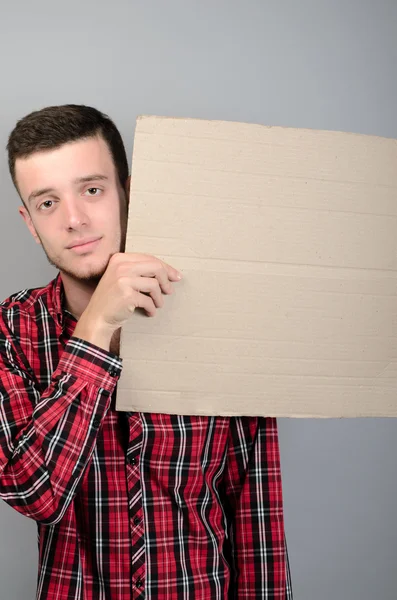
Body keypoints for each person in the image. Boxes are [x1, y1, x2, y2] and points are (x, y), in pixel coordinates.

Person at [0, 104, 293, 600]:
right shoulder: (12, 331)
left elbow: (255, 513)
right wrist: (95, 329)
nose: (74, 220)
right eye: (48, 203)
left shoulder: (223, 324)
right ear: (31, 223)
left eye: (92, 190)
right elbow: (33, 491)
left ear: (128, 193)